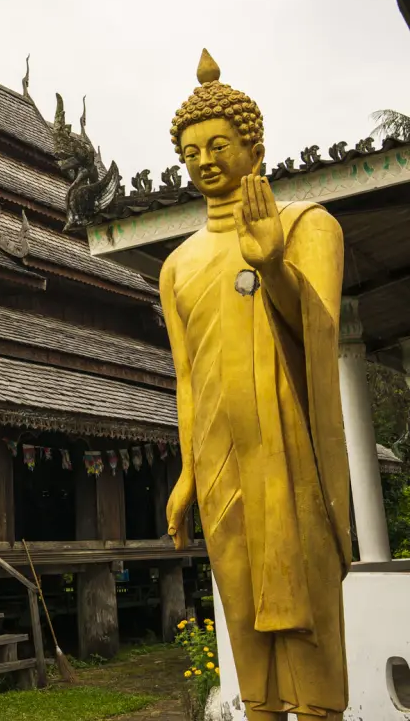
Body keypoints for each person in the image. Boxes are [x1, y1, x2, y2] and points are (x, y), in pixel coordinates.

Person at [160, 50, 351, 720]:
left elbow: (317, 334)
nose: (205, 161)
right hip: (220, 457)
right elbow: (187, 378)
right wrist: (187, 472)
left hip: (291, 449)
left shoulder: (309, 227)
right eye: (191, 153)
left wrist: (272, 266)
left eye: (219, 145)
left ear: (254, 148)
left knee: (308, 611)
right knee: (243, 614)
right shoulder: (177, 266)